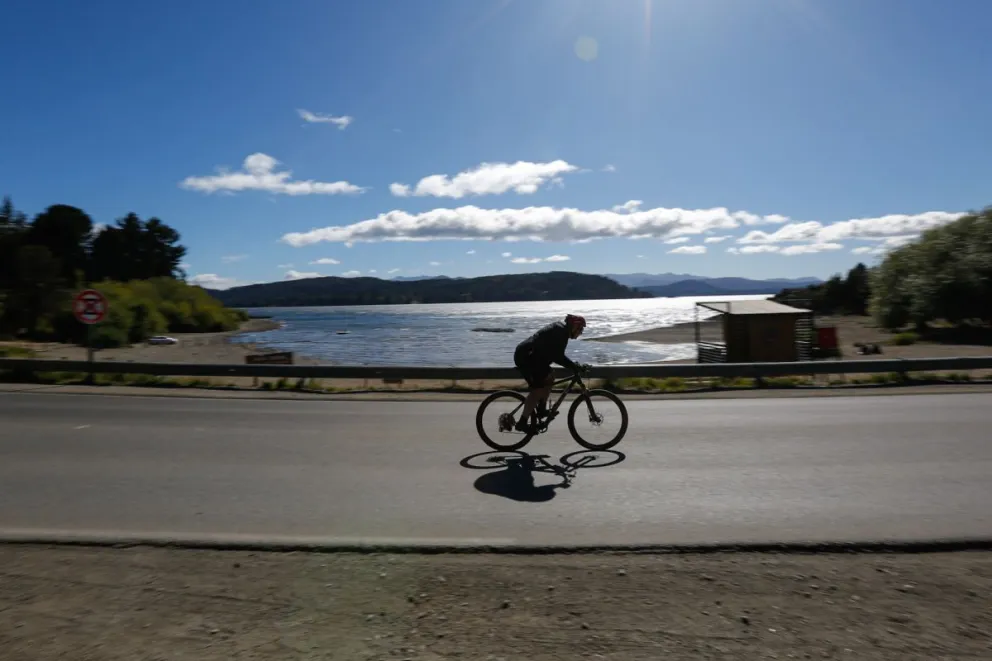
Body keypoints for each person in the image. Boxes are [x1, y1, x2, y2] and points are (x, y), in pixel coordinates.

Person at [513, 314, 589, 433]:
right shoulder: (561, 332)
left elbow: (558, 355)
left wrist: (574, 366)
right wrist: (575, 367)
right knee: (537, 390)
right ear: (574, 326)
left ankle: (542, 409)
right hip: (526, 357)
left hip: (535, 359)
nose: (580, 333)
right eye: (580, 329)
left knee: (550, 376)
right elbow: (558, 357)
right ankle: (522, 422)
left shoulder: (562, 331)